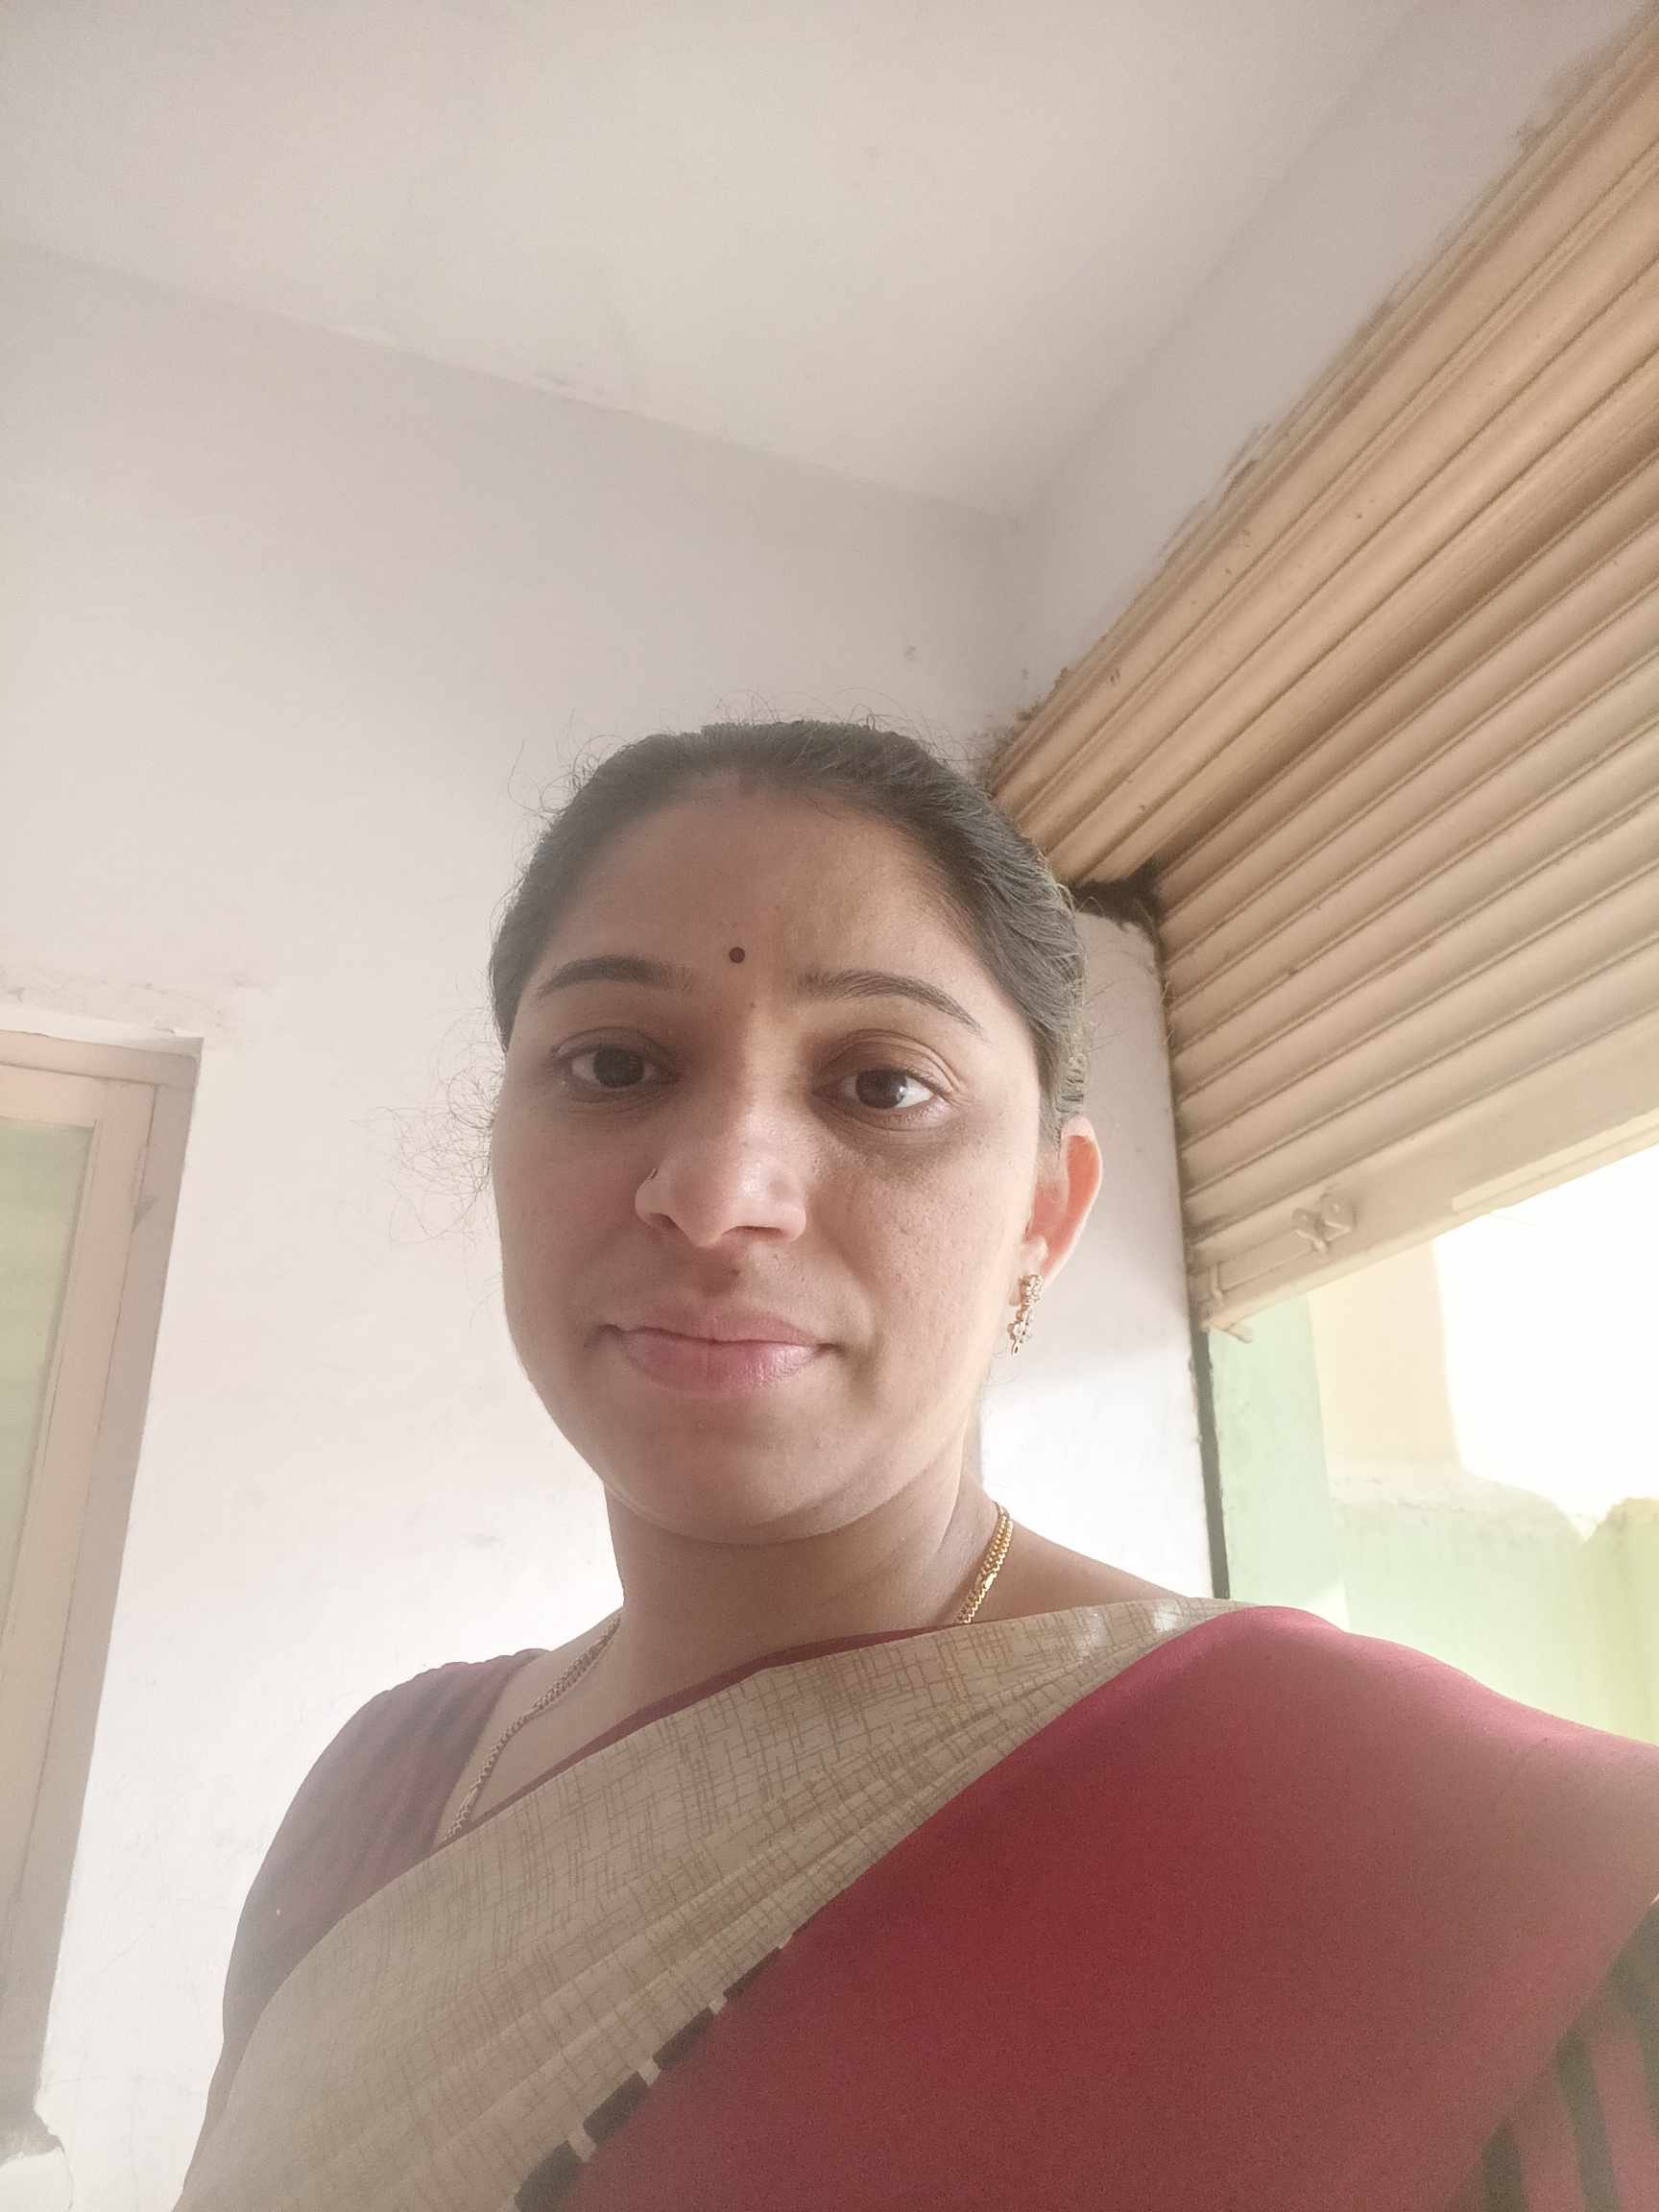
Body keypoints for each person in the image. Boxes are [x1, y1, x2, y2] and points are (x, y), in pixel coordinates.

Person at [177, 722, 1659, 2211]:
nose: (718, 1193)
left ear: (1045, 1215)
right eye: (614, 1064)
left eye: (883, 1087)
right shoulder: (380, 1789)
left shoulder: (1453, 1876)